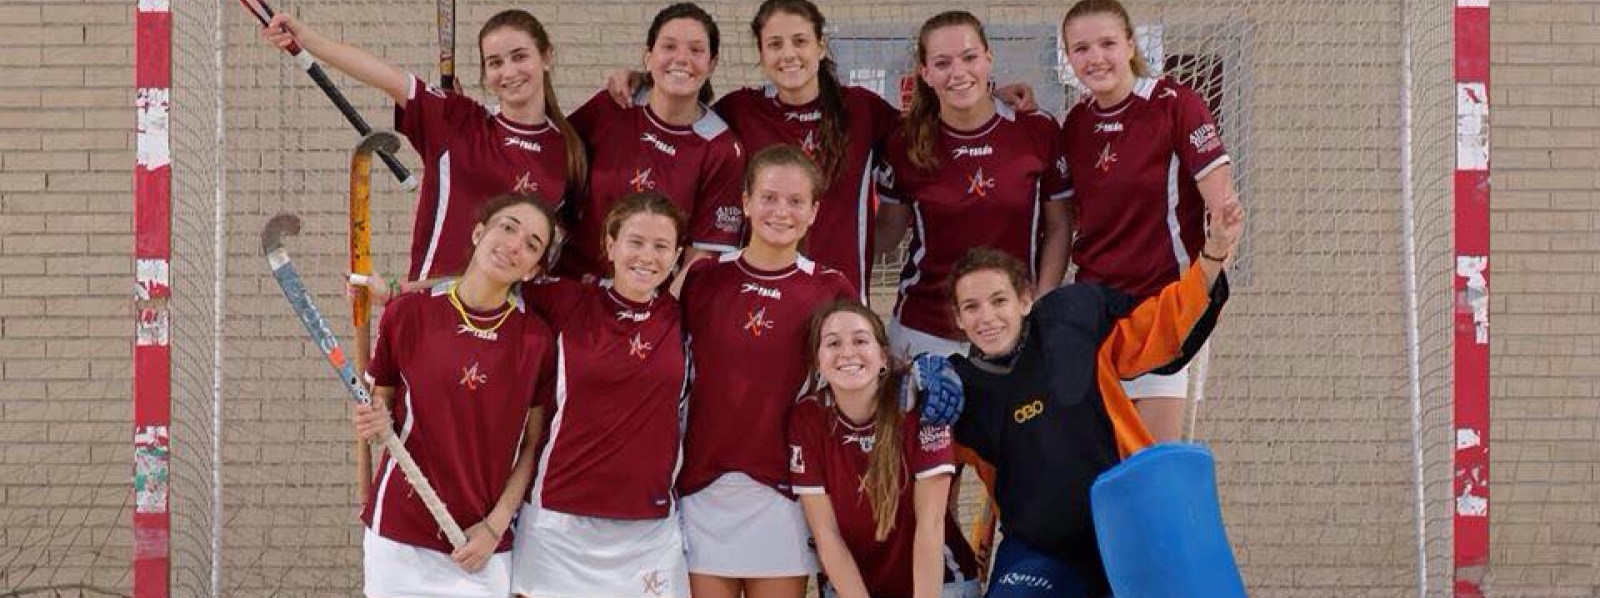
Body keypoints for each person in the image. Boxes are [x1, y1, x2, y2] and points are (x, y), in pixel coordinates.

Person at [604, 0, 1039, 297]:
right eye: (775, 44)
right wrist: (643, 80)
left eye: (800, 41)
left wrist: (990, 96)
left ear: (820, 46)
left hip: (841, 303)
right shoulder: (740, 110)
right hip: (755, 296)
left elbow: (937, 123)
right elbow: (682, 117)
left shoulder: (862, 109)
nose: (788, 54)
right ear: (761, 54)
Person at [922, 197, 1240, 597]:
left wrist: (1213, 255)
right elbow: (893, 454)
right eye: (971, 307)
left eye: (999, 301)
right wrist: (908, 382)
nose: (987, 317)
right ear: (958, 319)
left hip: (1130, 535)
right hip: (1041, 552)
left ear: (1025, 300)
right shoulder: (957, 391)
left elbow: (1166, 325)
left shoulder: (1071, 323)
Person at [261, 9, 585, 281]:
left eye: (519, 56)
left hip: (506, 325)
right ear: (485, 74)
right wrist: (306, 38)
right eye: (495, 63)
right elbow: (384, 76)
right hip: (428, 308)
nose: (509, 71)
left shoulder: (569, 151)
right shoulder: (456, 120)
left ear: (546, 57)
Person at [352, 193, 559, 598]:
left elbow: (533, 446)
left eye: (532, 244)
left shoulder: (536, 341)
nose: (514, 244)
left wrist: (494, 527)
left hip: (480, 542)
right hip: (399, 532)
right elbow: (380, 415)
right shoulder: (408, 313)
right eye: (507, 227)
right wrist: (371, 421)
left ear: (533, 270)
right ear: (479, 233)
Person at [676, 145, 857, 598]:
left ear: (814, 212)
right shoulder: (703, 277)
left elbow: (860, 380)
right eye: (769, 198)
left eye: (796, 201)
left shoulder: (829, 287)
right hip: (701, 485)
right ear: (745, 202)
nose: (781, 211)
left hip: (783, 491)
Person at [1058, 0, 1242, 441]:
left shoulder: (1175, 105)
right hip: (1098, 319)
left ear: (1130, 45)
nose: (1095, 58)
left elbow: (1225, 214)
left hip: (1164, 308)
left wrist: (1205, 295)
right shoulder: (1076, 123)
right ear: (1068, 57)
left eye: (1107, 44)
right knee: (1104, 466)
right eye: (1081, 48)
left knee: (1157, 465)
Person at [508, 192, 692, 598]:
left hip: (648, 528)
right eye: (635, 242)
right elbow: (480, 285)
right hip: (558, 522)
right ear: (610, 245)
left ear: (677, 255)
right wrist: (401, 291)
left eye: (661, 246)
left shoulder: (685, 317)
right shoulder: (567, 300)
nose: (647, 256)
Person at [874, 10, 1072, 360]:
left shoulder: (1037, 130)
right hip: (925, 330)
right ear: (925, 73)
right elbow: (887, 234)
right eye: (942, 63)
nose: (958, 72)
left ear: (988, 59)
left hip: (1012, 327)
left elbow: (1060, 227)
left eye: (969, 57)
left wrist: (1040, 304)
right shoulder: (904, 142)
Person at [788, 301, 981, 598]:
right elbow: (827, 536)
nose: (847, 352)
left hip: (938, 583)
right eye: (833, 343)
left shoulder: (922, 407)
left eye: (860, 340)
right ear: (817, 362)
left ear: (883, 357)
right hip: (853, 585)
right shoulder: (808, 418)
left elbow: (930, 526)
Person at [558, 2, 744, 285]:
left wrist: (661, 308)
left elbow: (700, 258)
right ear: (648, 56)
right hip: (574, 283)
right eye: (669, 46)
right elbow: (551, 162)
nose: (682, 58)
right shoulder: (614, 105)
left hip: (647, 298)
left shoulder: (721, 148)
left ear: (712, 64)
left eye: (696, 50)